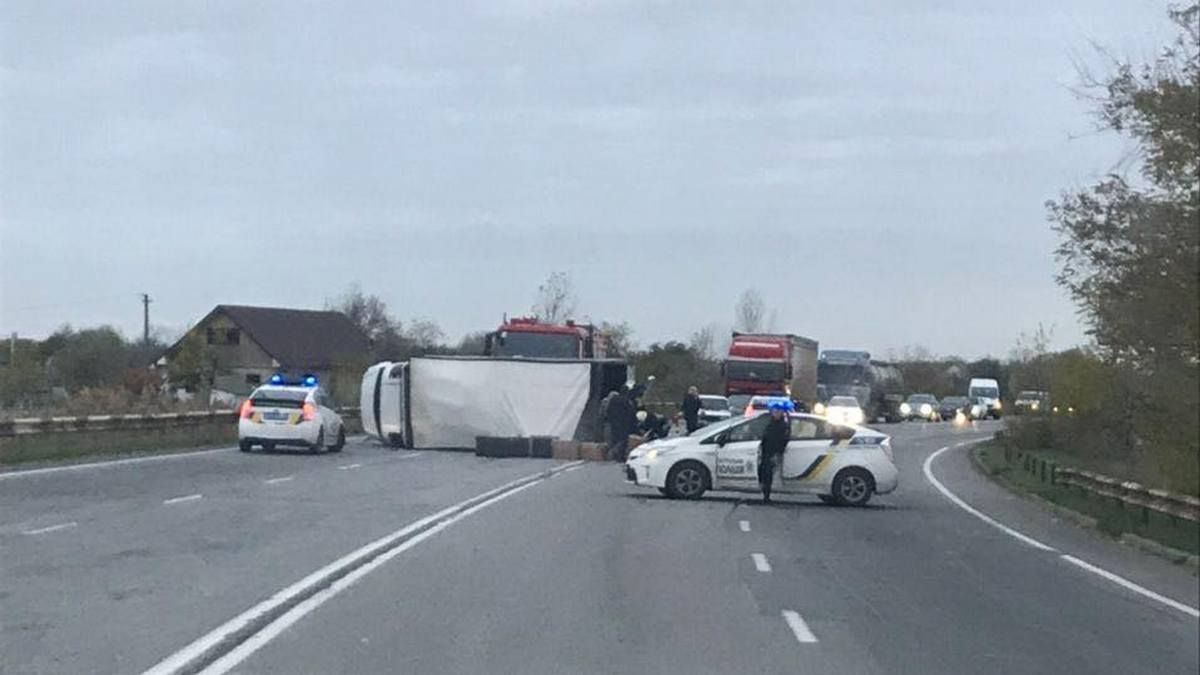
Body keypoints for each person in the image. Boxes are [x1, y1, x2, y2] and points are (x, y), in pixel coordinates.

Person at [757, 400, 792, 503]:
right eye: (775, 411)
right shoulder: (768, 423)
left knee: (768, 474)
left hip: (773, 453)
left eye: (778, 411)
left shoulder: (783, 426)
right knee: (763, 473)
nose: (776, 413)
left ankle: (766, 495)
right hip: (764, 452)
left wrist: (778, 452)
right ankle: (764, 492)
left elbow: (784, 440)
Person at [605, 386, 636, 461]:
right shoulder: (626, 401)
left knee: (614, 440)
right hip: (623, 424)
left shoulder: (613, 400)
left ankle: (612, 455)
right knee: (623, 441)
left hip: (613, 424)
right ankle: (618, 456)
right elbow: (630, 413)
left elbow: (608, 411)